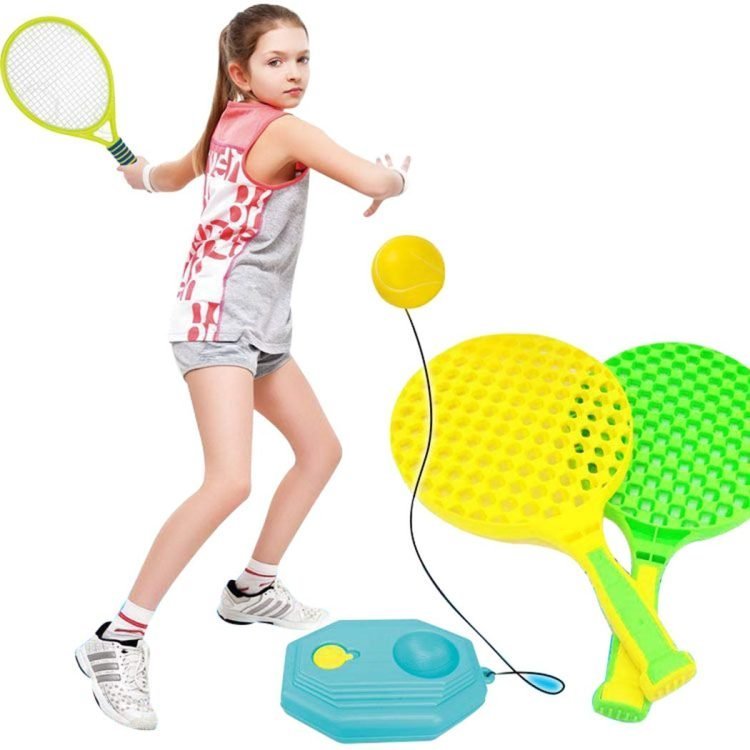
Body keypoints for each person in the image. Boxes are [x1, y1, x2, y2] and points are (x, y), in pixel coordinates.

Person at [74, 4, 410, 730]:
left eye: (303, 58)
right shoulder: (286, 130)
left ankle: (251, 590)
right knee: (229, 480)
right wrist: (393, 178)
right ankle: (117, 638)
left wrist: (133, 171)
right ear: (240, 71)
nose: (294, 74)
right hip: (218, 323)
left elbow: (165, 178)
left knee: (321, 451)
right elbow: (374, 182)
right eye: (276, 61)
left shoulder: (226, 122)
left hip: (259, 327)